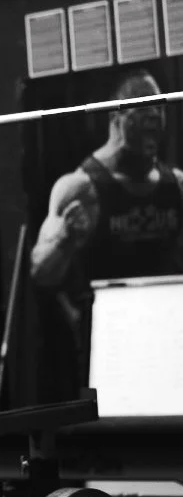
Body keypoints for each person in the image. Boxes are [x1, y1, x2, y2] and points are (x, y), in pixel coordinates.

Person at [30, 70, 183, 369]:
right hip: (109, 337)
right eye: (143, 112)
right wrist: (65, 239)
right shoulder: (79, 187)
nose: (154, 118)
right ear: (116, 116)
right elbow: (40, 271)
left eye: (159, 111)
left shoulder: (174, 185)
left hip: (167, 327)